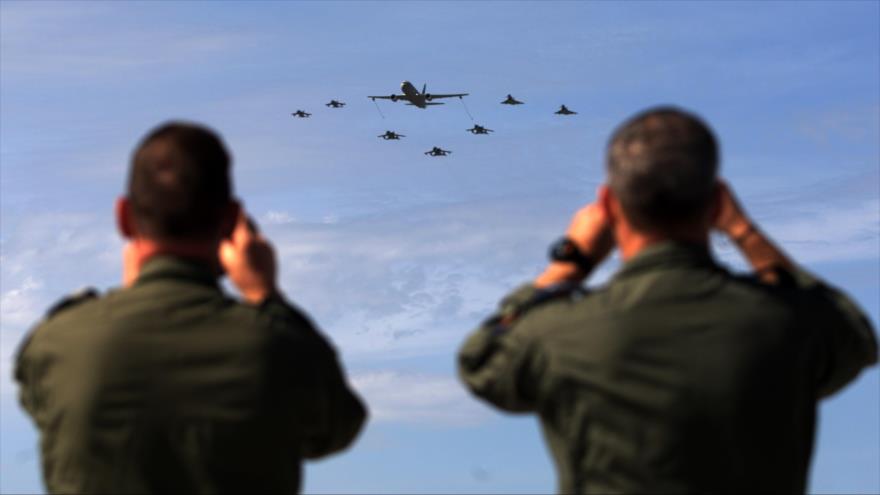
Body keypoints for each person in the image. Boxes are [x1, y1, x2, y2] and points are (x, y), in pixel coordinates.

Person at [458, 107, 877, 493]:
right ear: (718, 202)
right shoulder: (786, 324)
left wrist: (572, 259)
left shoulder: (557, 333)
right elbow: (854, 333)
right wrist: (745, 232)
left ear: (606, 204)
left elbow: (481, 363)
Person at [15, 122, 366, 494]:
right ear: (231, 221)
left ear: (123, 217)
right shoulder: (280, 349)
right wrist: (266, 294)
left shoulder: (58, 342)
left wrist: (131, 295)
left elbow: (43, 403)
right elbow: (338, 426)